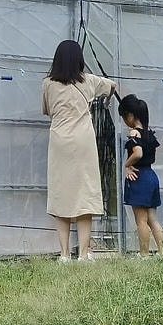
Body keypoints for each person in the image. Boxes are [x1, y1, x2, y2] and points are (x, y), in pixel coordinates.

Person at [41, 39, 117, 262]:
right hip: (84, 141)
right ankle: (84, 253)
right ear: (79, 60)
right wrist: (107, 100)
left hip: (60, 141)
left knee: (61, 193)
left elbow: (47, 110)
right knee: (85, 193)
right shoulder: (89, 81)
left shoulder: (48, 84)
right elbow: (112, 85)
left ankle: (64, 254)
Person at [118, 93, 163, 256]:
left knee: (141, 221)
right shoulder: (149, 133)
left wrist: (127, 164)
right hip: (151, 176)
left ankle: (144, 254)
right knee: (153, 219)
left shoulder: (134, 133)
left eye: (124, 117)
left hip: (139, 178)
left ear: (131, 115)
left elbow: (138, 153)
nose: (125, 121)